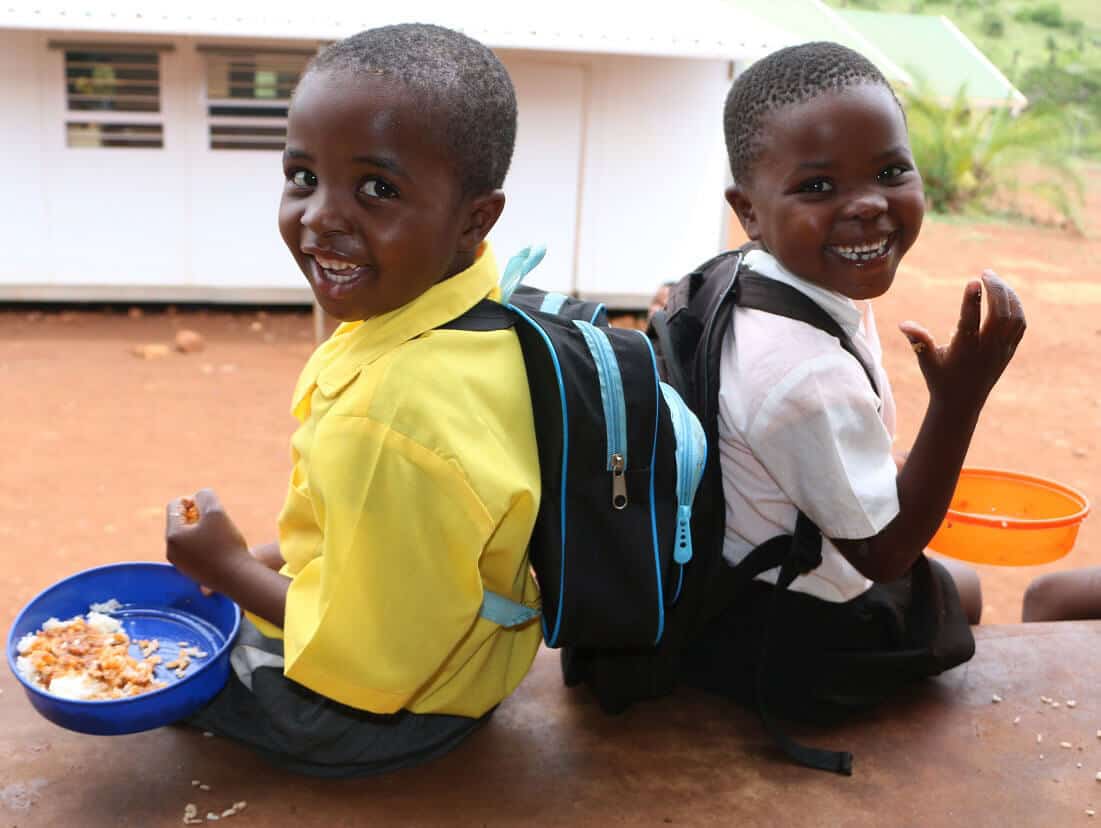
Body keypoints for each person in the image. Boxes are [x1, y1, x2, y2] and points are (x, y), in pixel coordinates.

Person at [163, 24, 542, 776]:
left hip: (402, 709)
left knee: (178, 668)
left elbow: (376, 654)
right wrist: (245, 560)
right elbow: (373, 535)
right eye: (303, 177)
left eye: (377, 189)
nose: (320, 216)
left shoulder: (395, 412)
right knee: (212, 610)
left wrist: (233, 570)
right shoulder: (467, 312)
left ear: (474, 218)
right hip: (473, 655)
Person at [681, 42, 1026, 722]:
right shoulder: (801, 370)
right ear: (748, 209)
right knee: (959, 593)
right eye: (817, 186)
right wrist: (957, 402)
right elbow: (885, 556)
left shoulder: (756, 276)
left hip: (729, 580)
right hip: (794, 632)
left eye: (890, 170)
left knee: (957, 587)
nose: (867, 206)